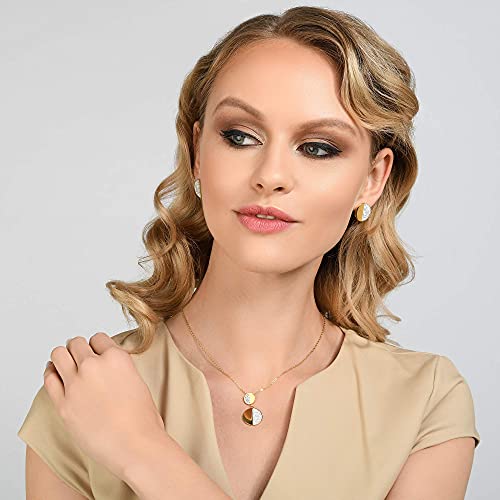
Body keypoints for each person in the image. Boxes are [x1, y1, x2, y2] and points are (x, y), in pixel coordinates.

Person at [17, 6, 480, 500]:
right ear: (197, 151)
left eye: (318, 147)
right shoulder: (82, 394)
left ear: (372, 178)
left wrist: (142, 451)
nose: (270, 175)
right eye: (239, 137)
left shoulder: (425, 401)